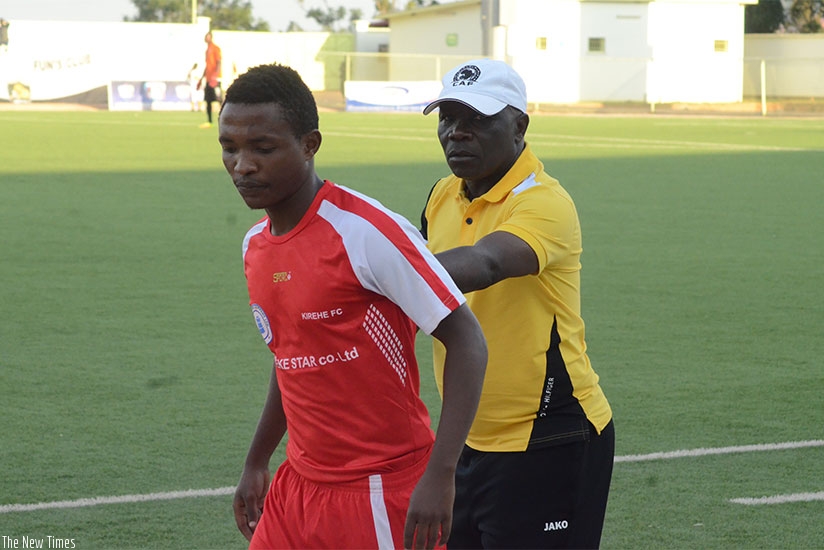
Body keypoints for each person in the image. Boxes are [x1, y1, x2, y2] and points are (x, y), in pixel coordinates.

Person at [218, 63, 487, 550]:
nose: (243, 165)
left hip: (379, 491)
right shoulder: (254, 245)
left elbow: (466, 339)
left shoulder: (365, 233)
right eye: (229, 148)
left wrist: (441, 474)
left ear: (309, 144)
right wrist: (257, 460)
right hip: (296, 486)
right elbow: (292, 357)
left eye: (262, 148)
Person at [420, 58, 615, 549]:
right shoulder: (443, 195)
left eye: (477, 120)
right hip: (468, 435)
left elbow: (486, 264)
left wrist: (381, 273)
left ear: (519, 125)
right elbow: (427, 297)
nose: (456, 133)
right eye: (448, 118)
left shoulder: (545, 202)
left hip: (550, 438)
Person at [196, 31, 221, 128]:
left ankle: (229, 118)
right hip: (208, 79)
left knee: (219, 99)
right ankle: (209, 121)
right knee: (208, 100)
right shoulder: (207, 50)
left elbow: (219, 62)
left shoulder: (215, 48)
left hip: (215, 79)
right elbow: (207, 66)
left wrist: (215, 75)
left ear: (211, 38)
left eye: (208, 37)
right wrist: (201, 78)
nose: (206, 38)